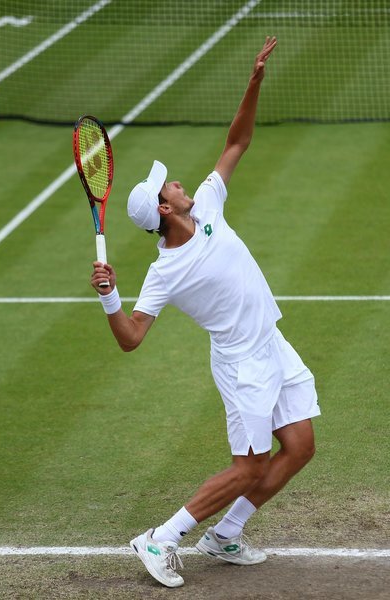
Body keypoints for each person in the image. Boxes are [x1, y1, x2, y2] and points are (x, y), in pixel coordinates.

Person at [91, 37, 320, 589]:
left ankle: (226, 534)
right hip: (242, 364)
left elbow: (237, 140)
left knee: (301, 446)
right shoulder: (163, 271)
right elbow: (131, 338)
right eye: (167, 185)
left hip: (272, 343)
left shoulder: (208, 203)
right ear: (165, 210)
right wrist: (109, 297)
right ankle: (161, 537)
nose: (176, 181)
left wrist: (255, 82)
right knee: (250, 466)